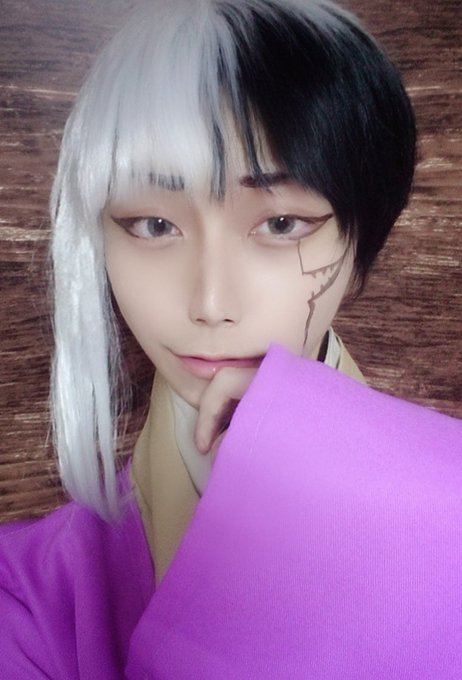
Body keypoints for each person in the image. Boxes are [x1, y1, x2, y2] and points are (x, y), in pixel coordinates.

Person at [1, 1, 461, 678]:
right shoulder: (32, 597)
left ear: (363, 237)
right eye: (153, 225)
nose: (210, 304)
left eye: (280, 224)